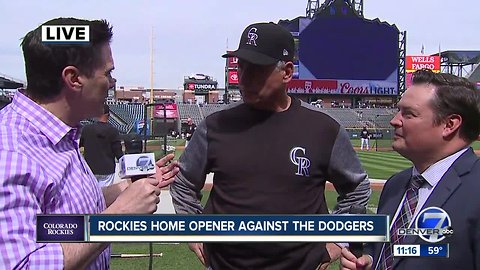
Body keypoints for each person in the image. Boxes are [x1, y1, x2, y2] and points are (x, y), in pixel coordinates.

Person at [170, 22, 371, 270]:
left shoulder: (323, 129)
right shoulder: (215, 126)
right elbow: (183, 184)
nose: (243, 79)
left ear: (287, 72)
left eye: (256, 70)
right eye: (241, 68)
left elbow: (357, 188)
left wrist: (335, 241)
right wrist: (194, 231)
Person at [0, 18, 179, 269]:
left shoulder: (57, 134)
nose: (112, 82)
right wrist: (117, 218)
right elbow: (23, 264)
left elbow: (58, 216)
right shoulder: (10, 150)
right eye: (108, 73)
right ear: (73, 78)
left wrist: (126, 190)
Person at [340, 69, 480, 270]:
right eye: (398, 111)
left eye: (409, 114)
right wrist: (370, 261)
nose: (394, 120)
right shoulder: (396, 184)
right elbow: (389, 251)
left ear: (450, 124)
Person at [80, 104, 124, 187]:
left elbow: (78, 145)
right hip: (107, 169)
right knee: (104, 196)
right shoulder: (112, 130)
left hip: (90, 169)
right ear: (108, 115)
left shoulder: (87, 129)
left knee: (91, 196)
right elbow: (118, 152)